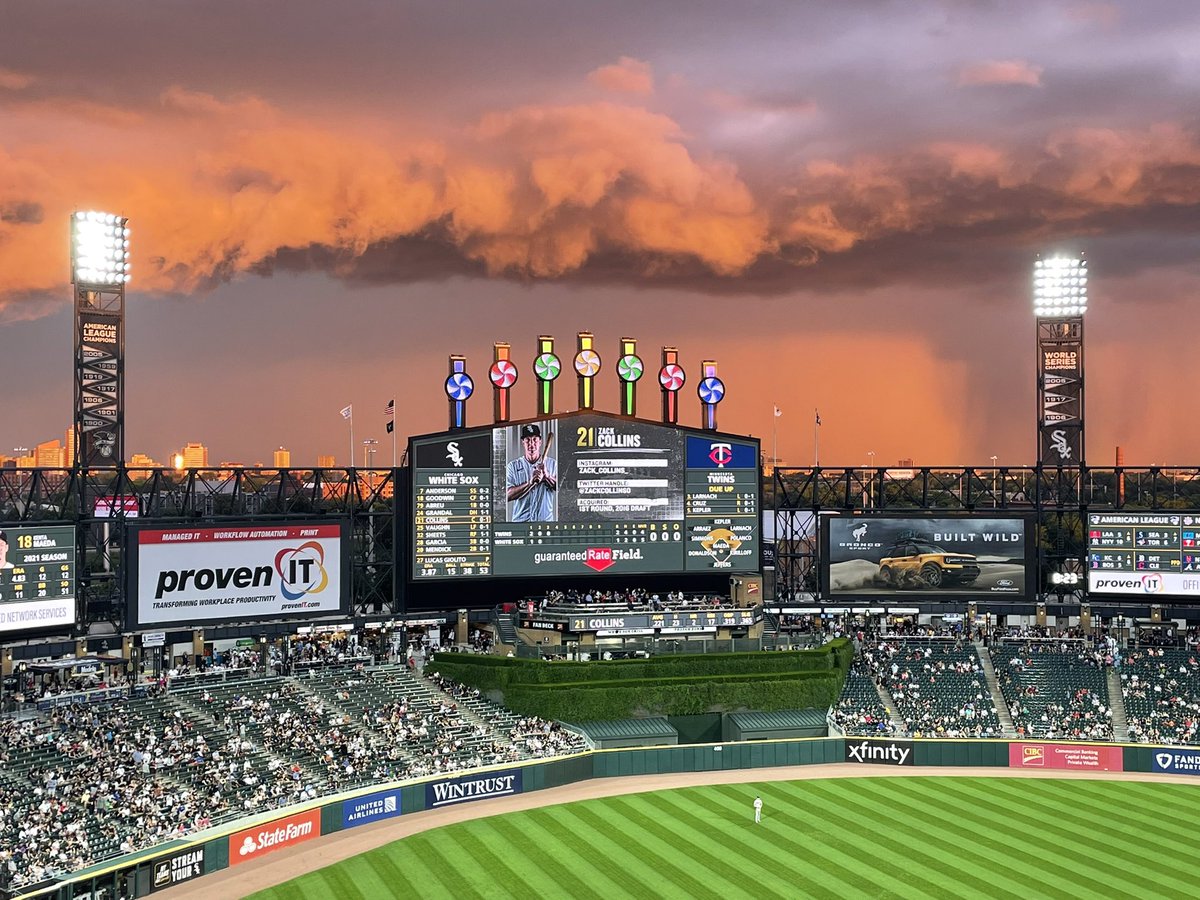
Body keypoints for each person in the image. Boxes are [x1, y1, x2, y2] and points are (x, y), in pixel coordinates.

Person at [506, 424, 557, 522]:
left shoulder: (553, 464)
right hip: (520, 524)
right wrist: (530, 483)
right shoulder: (512, 466)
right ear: (523, 443)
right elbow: (508, 495)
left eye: (535, 439)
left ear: (540, 442)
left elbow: (561, 488)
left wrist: (547, 476)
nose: (531, 444)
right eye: (528, 440)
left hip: (544, 525)